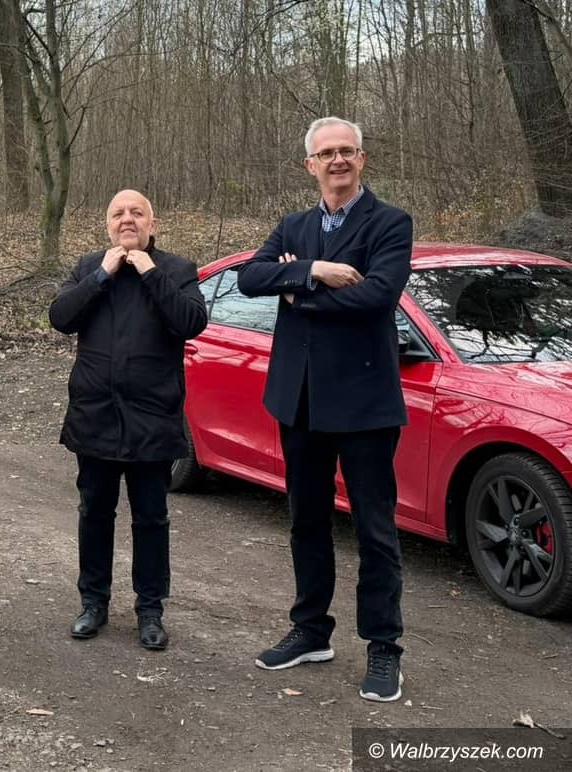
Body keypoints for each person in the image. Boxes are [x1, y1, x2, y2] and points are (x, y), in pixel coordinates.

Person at [237, 116, 413, 702]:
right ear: (310, 165)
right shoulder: (293, 226)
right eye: (326, 153)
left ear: (362, 159)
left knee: (374, 529)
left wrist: (297, 294)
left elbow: (378, 295)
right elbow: (250, 278)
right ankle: (311, 630)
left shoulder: (390, 222)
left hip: (365, 404)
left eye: (347, 151)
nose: (337, 160)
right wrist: (313, 270)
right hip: (301, 400)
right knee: (306, 521)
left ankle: (384, 646)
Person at [49, 189, 207, 650]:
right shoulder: (88, 267)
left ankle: (150, 610)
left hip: (152, 418)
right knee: (94, 513)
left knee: (151, 518)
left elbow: (191, 322)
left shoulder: (177, 270)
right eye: (118, 213)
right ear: (108, 225)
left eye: (137, 213)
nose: (127, 219)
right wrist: (102, 274)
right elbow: (60, 317)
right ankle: (93, 603)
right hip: (95, 415)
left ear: (152, 224)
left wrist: (149, 271)